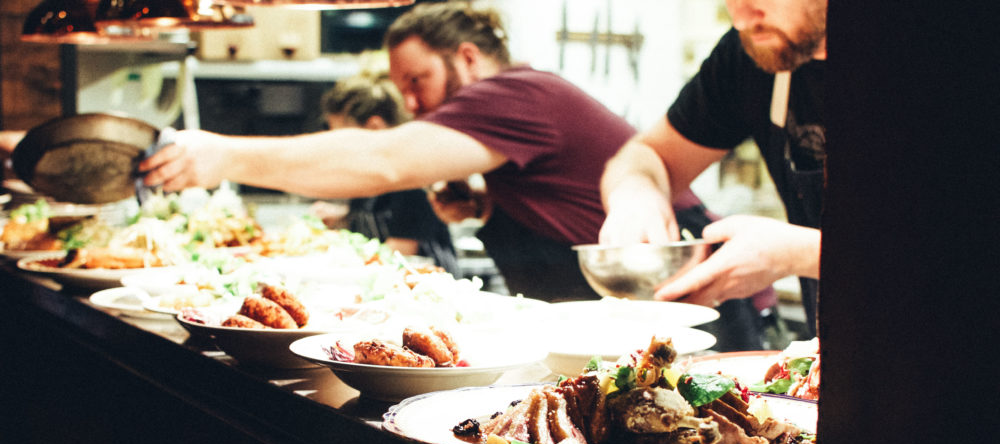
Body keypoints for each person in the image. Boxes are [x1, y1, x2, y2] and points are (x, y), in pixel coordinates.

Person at [138, 2, 715, 306]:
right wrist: (487, 205)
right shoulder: (520, 104)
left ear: (467, 57)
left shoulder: (516, 93)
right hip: (625, 303)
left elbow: (381, 162)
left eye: (419, 81)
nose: (411, 102)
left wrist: (222, 155)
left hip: (683, 292)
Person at [600, 0, 825, 337]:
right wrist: (637, 192)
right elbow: (646, 155)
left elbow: (931, 254)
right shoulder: (752, 54)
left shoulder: (927, 53)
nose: (740, 17)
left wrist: (797, 253)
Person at [312, 72, 460, 275]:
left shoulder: (412, 178)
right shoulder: (366, 173)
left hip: (426, 291)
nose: (338, 148)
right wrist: (342, 217)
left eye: (342, 138)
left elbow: (399, 252)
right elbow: (368, 219)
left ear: (374, 127)